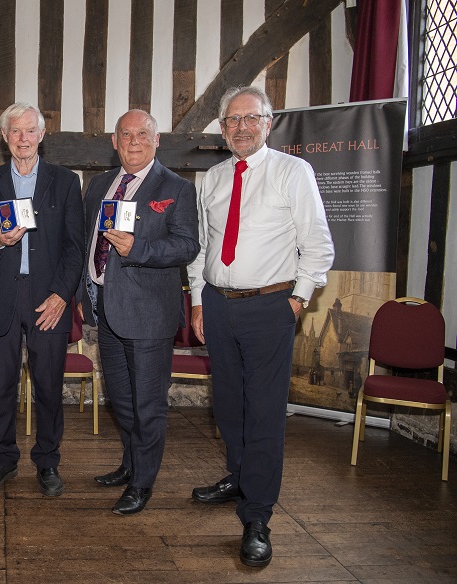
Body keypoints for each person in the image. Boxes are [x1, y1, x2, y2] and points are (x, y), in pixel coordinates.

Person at [187, 86, 334, 567]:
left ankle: (257, 516)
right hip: (218, 306)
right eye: (233, 120)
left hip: (271, 307)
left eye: (252, 118)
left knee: (264, 414)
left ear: (268, 124)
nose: (242, 127)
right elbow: (203, 248)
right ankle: (239, 477)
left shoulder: (294, 172)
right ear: (222, 128)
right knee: (229, 407)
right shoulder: (213, 178)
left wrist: (297, 300)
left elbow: (318, 244)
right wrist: (198, 301)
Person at [79, 110, 200, 515]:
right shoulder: (100, 185)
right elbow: (86, 241)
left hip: (149, 314)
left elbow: (187, 246)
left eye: (143, 134)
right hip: (105, 308)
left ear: (157, 139)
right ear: (114, 141)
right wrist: (82, 291)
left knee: (148, 405)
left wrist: (138, 249)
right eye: (126, 135)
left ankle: (142, 483)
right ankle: (131, 464)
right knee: (121, 399)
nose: (134, 142)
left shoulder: (177, 188)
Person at [0, 103, 84, 496]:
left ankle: (48, 462)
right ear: (4, 137)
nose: (23, 138)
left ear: (42, 135)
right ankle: (3, 460)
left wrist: (61, 295)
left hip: (48, 298)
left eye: (30, 130)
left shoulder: (65, 182)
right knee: (1, 387)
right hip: (2, 295)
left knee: (48, 386)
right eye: (15, 131)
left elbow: (75, 247)